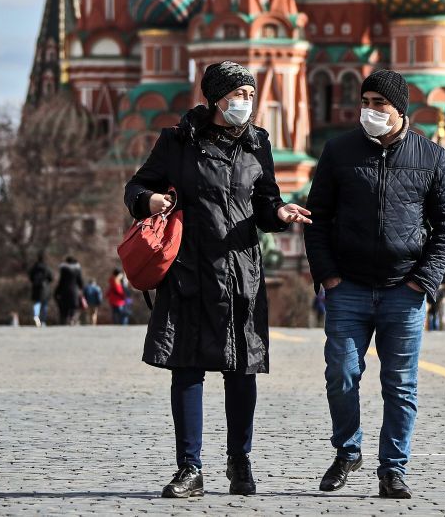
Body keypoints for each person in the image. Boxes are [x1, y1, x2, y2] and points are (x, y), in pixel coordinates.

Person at [124, 60, 311, 499]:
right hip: (190, 272)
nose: (246, 103)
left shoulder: (258, 143)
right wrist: (150, 200)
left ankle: (239, 462)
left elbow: (267, 203)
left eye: (250, 95)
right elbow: (135, 187)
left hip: (241, 273)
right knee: (186, 370)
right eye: (238, 95)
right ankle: (190, 468)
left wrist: (280, 214)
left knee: (241, 371)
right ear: (216, 99)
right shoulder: (177, 141)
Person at [303, 69, 445, 500]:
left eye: (379, 105)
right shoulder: (339, 152)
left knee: (401, 385)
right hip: (348, 287)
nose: (370, 111)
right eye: (365, 101)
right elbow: (317, 219)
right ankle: (347, 451)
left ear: (400, 110)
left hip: (403, 290)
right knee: (341, 374)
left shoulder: (431, 156)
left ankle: (392, 468)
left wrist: (423, 281)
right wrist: (328, 274)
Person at [54, 256, 84, 326]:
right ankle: (72, 319)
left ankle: (64, 321)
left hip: (64, 290)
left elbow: (61, 282)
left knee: (64, 307)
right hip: (74, 291)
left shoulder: (63, 269)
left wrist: (57, 291)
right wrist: (81, 289)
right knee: (73, 307)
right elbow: (80, 282)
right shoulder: (77, 270)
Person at [28, 254, 54, 327]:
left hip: (36, 287)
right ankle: (43, 321)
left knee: (37, 303)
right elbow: (51, 278)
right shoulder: (47, 267)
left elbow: (30, 276)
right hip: (45, 288)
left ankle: (36, 318)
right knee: (44, 305)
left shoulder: (34, 267)